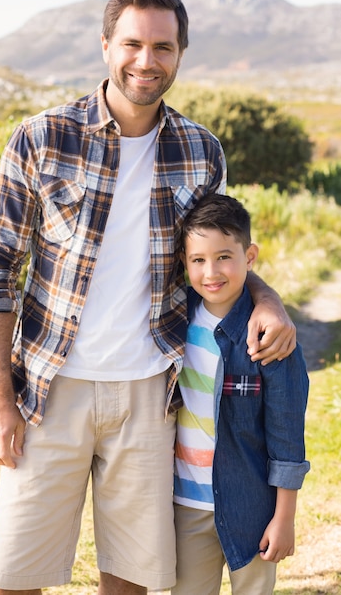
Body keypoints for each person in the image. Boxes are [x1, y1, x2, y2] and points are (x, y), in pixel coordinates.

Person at [0, 0, 296, 595]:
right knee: (15, 577)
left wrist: (269, 299)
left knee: (132, 583)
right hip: (48, 390)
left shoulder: (202, 151)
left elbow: (217, 260)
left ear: (180, 53)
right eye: (133, 44)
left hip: (152, 393)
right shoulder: (41, 138)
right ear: (105, 47)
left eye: (163, 47)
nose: (147, 61)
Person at [173, 193, 310, 595]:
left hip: (251, 507)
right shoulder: (175, 322)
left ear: (249, 257)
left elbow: (287, 435)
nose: (211, 272)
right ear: (184, 262)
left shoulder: (271, 339)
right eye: (198, 260)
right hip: (186, 505)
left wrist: (284, 518)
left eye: (224, 257)